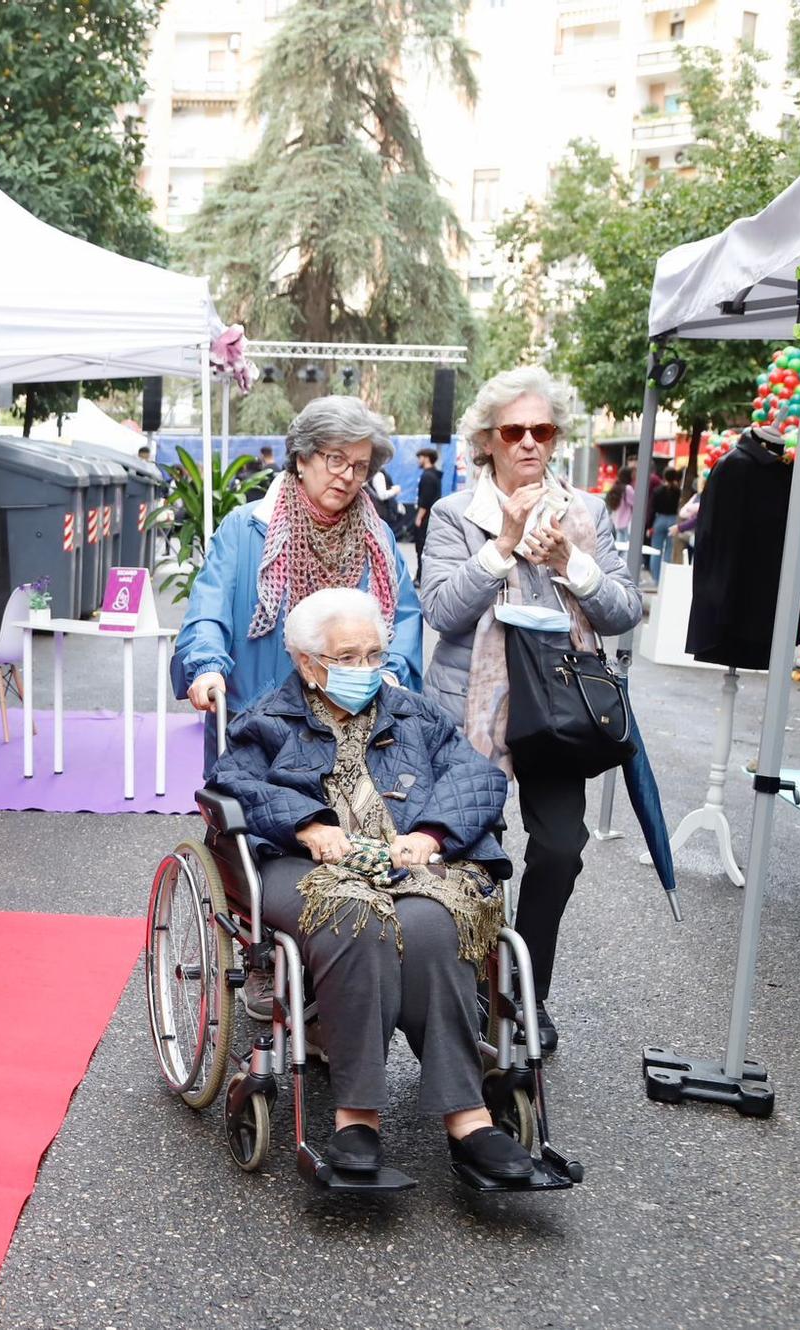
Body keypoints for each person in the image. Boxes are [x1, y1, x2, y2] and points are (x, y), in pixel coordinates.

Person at [205, 588, 533, 1181]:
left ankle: (467, 1116)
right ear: (307, 663)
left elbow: (475, 775)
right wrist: (308, 825)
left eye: (374, 655)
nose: (365, 669)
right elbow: (234, 784)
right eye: (347, 657)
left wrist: (431, 835)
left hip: (407, 862)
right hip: (304, 867)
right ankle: (357, 1117)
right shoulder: (267, 719)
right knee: (358, 923)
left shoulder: (415, 712)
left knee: (433, 926)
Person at [419, 367, 643, 1051]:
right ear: (488, 440)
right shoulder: (458, 514)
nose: (527, 444)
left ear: (556, 439)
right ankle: (471, 988)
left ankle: (527, 990)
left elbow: (626, 609)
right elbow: (441, 611)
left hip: (558, 706)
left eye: (541, 431)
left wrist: (574, 562)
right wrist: (502, 547)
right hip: (471, 709)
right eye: (513, 431)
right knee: (471, 853)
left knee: (560, 850)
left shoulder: (588, 514)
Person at [173, 395, 424, 770]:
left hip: (351, 729)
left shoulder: (379, 537)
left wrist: (389, 673)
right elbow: (209, 611)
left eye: (359, 466)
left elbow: (403, 619)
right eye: (335, 459)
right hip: (255, 724)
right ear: (303, 458)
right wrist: (207, 666)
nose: (348, 475)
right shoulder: (245, 528)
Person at [412, 446, 443, 583]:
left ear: (426, 458)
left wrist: (418, 518)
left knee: (421, 548)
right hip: (430, 517)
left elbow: (425, 499)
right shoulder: (434, 475)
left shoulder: (427, 476)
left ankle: (420, 577)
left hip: (425, 519)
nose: (418, 460)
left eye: (420, 457)